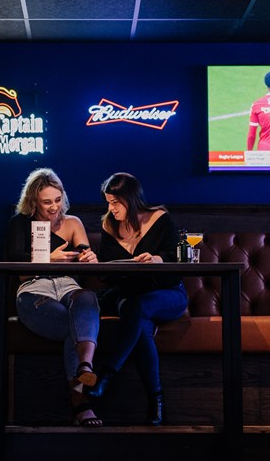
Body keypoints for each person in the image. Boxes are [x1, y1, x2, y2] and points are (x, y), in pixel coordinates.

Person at [3, 167, 103, 427]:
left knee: (86, 297)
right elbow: (13, 259)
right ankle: (81, 396)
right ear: (34, 200)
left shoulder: (72, 223)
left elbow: (85, 254)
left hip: (67, 284)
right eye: (47, 202)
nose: (53, 207)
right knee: (75, 327)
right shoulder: (20, 222)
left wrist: (89, 258)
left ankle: (83, 371)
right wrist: (48, 257)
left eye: (57, 200)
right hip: (35, 287)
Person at [86, 172, 188, 426]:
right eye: (108, 202)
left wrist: (157, 259)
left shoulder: (159, 219)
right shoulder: (109, 225)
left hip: (168, 293)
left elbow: (178, 259)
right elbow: (110, 278)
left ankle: (107, 375)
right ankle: (156, 400)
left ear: (130, 200)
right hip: (128, 296)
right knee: (138, 319)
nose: (111, 208)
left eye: (115, 203)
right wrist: (98, 264)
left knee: (139, 306)